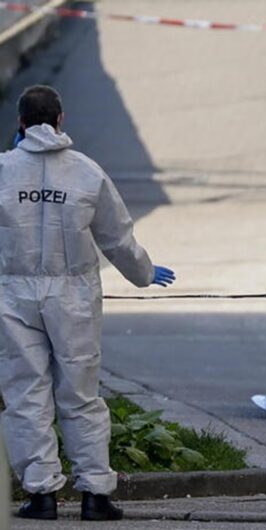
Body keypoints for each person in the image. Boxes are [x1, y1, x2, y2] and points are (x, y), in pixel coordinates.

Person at [0, 85, 176, 521]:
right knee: (80, 394)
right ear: (61, 120)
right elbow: (117, 237)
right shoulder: (86, 173)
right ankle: (96, 492)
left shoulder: (3, 171)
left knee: (26, 392)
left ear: (20, 123)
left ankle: (40, 493)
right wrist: (143, 273)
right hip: (74, 297)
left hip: (13, 295)